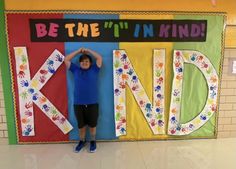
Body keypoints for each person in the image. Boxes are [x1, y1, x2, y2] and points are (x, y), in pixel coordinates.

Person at [64, 47, 102, 153]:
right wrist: (78, 51)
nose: (85, 63)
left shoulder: (95, 69)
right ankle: (82, 141)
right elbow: (66, 59)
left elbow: (99, 58)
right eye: (82, 61)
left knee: (92, 125)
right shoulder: (75, 69)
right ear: (79, 63)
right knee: (81, 125)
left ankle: (93, 141)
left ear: (90, 63)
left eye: (87, 61)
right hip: (78, 103)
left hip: (93, 103)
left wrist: (89, 51)